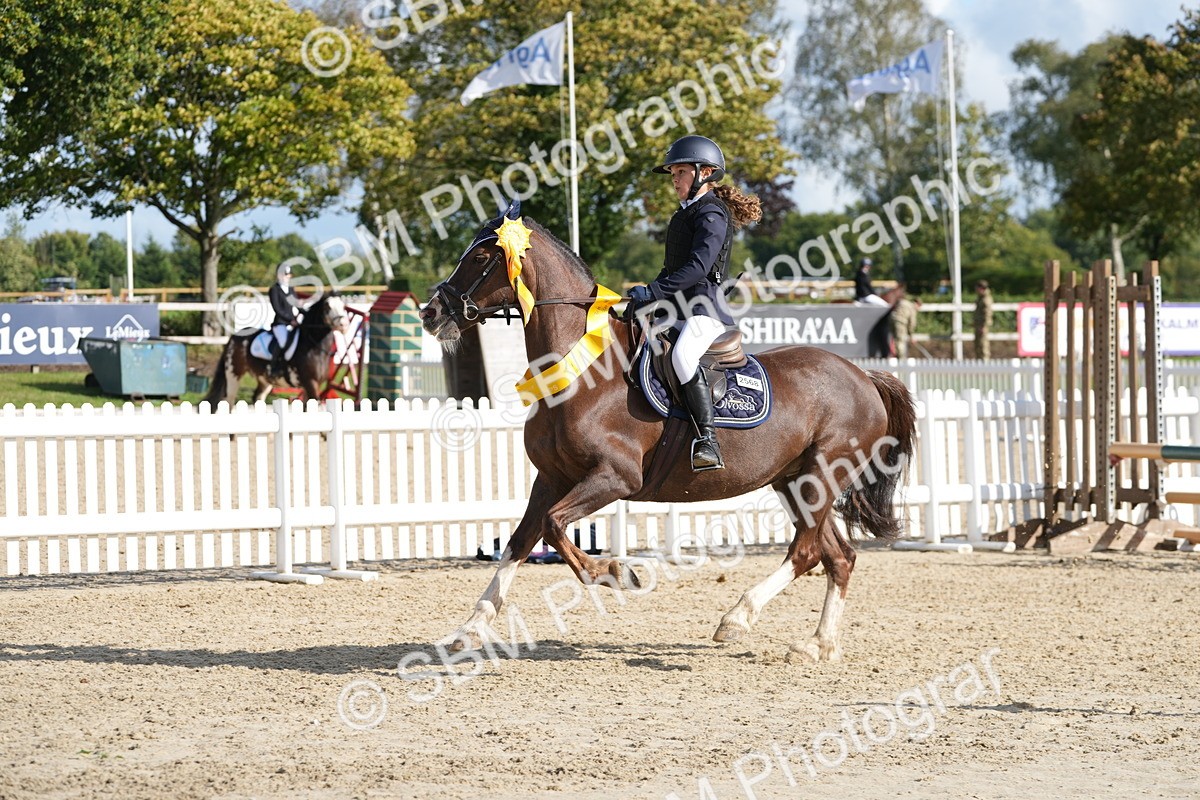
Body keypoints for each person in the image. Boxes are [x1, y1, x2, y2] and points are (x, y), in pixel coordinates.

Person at [626, 135, 762, 472]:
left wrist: (655, 291)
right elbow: (673, 268)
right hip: (676, 309)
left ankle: (708, 441)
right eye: (673, 174)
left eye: (681, 172)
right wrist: (647, 293)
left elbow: (698, 268)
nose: (675, 180)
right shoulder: (684, 214)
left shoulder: (712, 213)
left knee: (683, 356)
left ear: (706, 173)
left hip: (704, 311)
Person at [268, 263, 302, 377]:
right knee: (283, 342)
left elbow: (296, 304)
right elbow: (277, 309)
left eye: (288, 275)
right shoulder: (274, 290)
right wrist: (289, 320)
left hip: (293, 322)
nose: (287, 277)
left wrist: (303, 314)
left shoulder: (291, 289)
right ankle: (274, 367)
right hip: (280, 323)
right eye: (284, 274)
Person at [890, 292, 921, 359]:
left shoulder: (904, 302)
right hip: (900, 322)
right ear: (917, 304)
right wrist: (911, 335)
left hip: (891, 320)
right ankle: (901, 359)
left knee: (894, 340)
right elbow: (912, 323)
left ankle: (893, 355)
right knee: (900, 341)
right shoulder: (912, 308)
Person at [974, 280, 993, 359]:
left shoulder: (986, 299)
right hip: (979, 325)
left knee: (983, 345)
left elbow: (987, 313)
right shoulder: (981, 298)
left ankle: (985, 363)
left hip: (982, 326)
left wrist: (984, 325)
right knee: (978, 345)